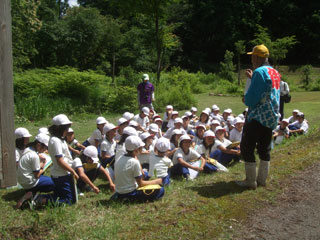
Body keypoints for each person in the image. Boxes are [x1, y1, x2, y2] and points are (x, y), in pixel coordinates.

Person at [237, 44, 280, 189]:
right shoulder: (274, 72)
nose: (251, 60)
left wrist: (245, 100)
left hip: (258, 116)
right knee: (264, 147)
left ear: (256, 57)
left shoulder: (259, 72)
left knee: (247, 147)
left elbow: (252, 97)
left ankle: (250, 181)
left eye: (252, 57)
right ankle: (262, 179)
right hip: (271, 116)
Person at [114, 136, 164, 201]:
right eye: (141, 148)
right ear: (136, 150)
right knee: (161, 190)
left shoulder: (120, 158)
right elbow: (140, 184)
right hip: (130, 193)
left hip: (119, 191)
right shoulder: (134, 162)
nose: (142, 149)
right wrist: (155, 182)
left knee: (145, 174)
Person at [16, 133, 55, 209]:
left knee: (47, 179)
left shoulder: (27, 149)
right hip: (30, 182)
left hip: (23, 180)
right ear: (39, 145)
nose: (45, 150)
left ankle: (31, 192)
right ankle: (35, 197)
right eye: (45, 147)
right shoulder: (34, 156)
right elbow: (37, 174)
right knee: (55, 183)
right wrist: (43, 164)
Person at [48, 114, 79, 205]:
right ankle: (41, 199)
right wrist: (73, 171)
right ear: (60, 128)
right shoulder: (55, 141)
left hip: (65, 173)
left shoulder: (60, 139)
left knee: (73, 199)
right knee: (68, 201)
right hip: (60, 175)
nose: (67, 130)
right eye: (66, 128)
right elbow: (60, 161)